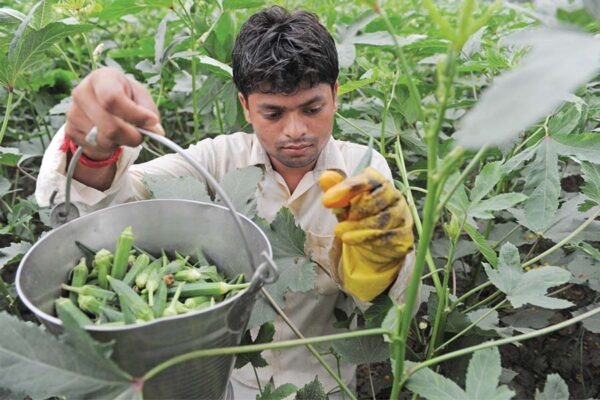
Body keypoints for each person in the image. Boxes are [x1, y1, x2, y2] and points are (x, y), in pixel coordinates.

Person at [35, 5, 415, 399]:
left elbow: (390, 305)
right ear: (245, 106)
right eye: (273, 113)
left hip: (330, 383)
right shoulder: (217, 162)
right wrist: (94, 153)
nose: (296, 130)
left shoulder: (362, 172)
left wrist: (381, 264)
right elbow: (115, 202)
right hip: (226, 382)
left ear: (335, 96)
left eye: (312, 108)